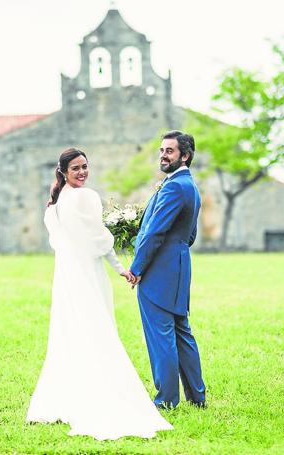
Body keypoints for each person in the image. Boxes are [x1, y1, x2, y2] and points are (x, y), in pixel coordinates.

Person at [26, 147, 172, 440]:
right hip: (86, 276)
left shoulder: (56, 203)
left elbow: (68, 240)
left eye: (85, 167)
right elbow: (99, 240)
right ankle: (102, 394)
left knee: (71, 332)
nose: (82, 173)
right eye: (76, 168)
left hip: (67, 277)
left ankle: (68, 397)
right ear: (64, 172)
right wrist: (120, 267)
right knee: (97, 329)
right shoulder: (85, 197)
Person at [128, 131, 207, 409]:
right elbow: (191, 234)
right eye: (161, 150)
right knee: (181, 333)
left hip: (159, 271)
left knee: (161, 336)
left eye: (169, 151)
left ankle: (166, 401)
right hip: (179, 267)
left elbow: (154, 232)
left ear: (184, 156)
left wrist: (137, 267)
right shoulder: (189, 185)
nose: (163, 155)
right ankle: (197, 397)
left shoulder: (174, 187)